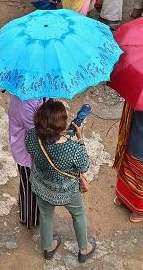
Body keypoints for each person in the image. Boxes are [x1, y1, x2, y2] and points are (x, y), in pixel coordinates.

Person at [27, 100, 94, 262]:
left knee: (46, 215)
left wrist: (61, 135)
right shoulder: (72, 148)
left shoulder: (30, 135)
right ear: (62, 126)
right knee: (78, 213)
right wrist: (80, 139)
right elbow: (84, 166)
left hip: (42, 183)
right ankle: (84, 249)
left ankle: (48, 248)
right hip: (66, 189)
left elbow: (33, 149)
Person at [7, 93, 45, 229]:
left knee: (28, 183)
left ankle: (27, 209)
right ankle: (28, 217)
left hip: (30, 148)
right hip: (26, 152)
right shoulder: (24, 104)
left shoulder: (34, 95)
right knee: (29, 186)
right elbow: (36, 132)